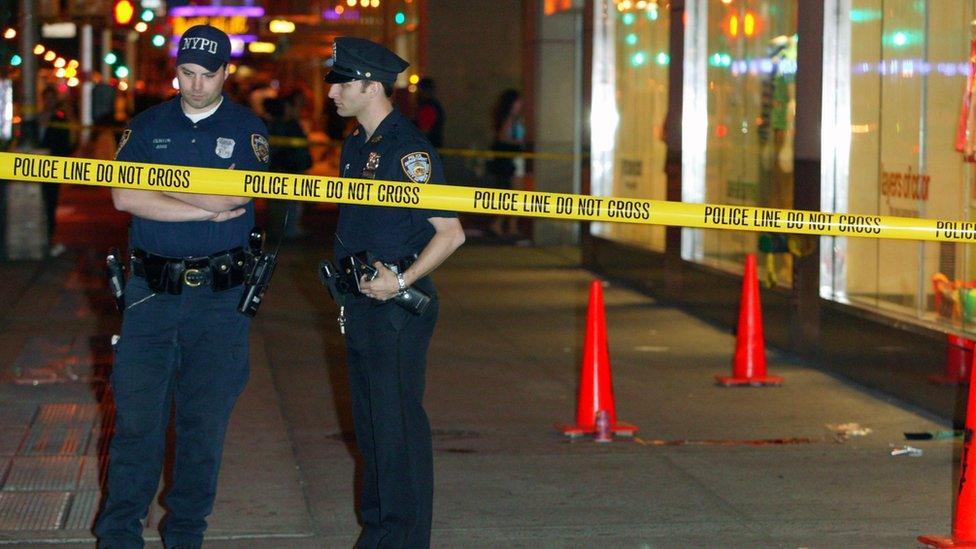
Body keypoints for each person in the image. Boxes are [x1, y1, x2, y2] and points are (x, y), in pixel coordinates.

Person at [93, 25, 269, 549]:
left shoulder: (246, 128)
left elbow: (232, 202)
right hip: (151, 293)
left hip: (219, 298)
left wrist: (162, 185)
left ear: (225, 72)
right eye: (187, 73)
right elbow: (125, 198)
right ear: (176, 69)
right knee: (137, 423)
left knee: (202, 426)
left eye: (207, 75)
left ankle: (186, 534)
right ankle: (119, 535)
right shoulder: (147, 125)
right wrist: (201, 196)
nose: (195, 85)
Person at [325, 36, 465, 548]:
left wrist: (401, 281)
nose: (333, 92)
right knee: (371, 434)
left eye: (342, 82)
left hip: (395, 310)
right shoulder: (356, 145)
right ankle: (380, 534)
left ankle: (403, 539)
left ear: (370, 85)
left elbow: (451, 232)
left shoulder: (408, 150)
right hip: (361, 304)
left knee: (397, 432)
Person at [265, 91, 313, 239]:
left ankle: (283, 229)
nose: (300, 109)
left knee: (285, 203)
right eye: (297, 105)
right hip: (286, 168)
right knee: (286, 203)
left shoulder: (288, 125)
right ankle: (286, 230)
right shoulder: (283, 126)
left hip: (289, 167)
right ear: (288, 107)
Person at [485, 88, 526, 240]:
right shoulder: (510, 118)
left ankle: (508, 225)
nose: (521, 104)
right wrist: (519, 142)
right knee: (516, 194)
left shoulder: (513, 118)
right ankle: (504, 224)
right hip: (513, 159)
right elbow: (503, 137)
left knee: (515, 194)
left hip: (515, 158)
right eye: (518, 101)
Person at [38, 86, 74, 254]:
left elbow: (66, 145)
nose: (50, 101)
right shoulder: (35, 118)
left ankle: (49, 239)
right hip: (34, 168)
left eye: (53, 98)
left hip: (52, 169)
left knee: (50, 204)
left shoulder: (60, 120)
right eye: (47, 98)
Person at [413, 77, 444, 148]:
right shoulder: (434, 106)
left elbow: (424, 131)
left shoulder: (428, 108)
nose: (417, 94)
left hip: (427, 149)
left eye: (419, 91)